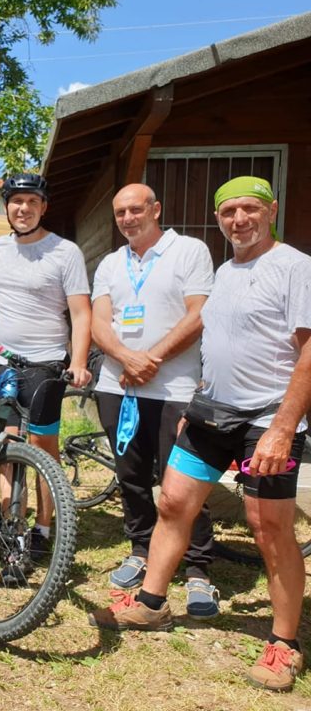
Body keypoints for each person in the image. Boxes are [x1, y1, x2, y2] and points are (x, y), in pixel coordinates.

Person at [89, 176, 311, 692]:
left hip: (268, 418)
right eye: (229, 212)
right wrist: (198, 403)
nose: (239, 219)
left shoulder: (295, 266)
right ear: (218, 219)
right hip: (214, 410)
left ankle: (284, 643)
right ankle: (151, 603)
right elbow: (221, 342)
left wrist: (283, 428)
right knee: (173, 502)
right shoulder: (227, 271)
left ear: (272, 210)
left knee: (268, 526)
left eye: (250, 209)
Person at [90, 183, 217, 616]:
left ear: (155, 209)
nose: (128, 219)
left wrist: (152, 358)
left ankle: (198, 569)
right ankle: (141, 548)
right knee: (131, 475)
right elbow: (99, 322)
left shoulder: (189, 251)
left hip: (174, 388)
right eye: (120, 213)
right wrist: (127, 358)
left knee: (181, 481)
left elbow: (198, 313)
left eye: (136, 209)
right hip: (118, 385)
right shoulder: (111, 263)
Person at [0, 173, 91, 563]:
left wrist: (78, 361)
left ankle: (44, 528)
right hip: (1, 362)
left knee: (42, 448)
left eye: (32, 201)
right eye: (17, 201)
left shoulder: (65, 252)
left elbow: (81, 313)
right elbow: (0, 301)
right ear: (7, 206)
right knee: (6, 443)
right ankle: (12, 526)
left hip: (44, 362)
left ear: (44, 207)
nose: (24, 208)